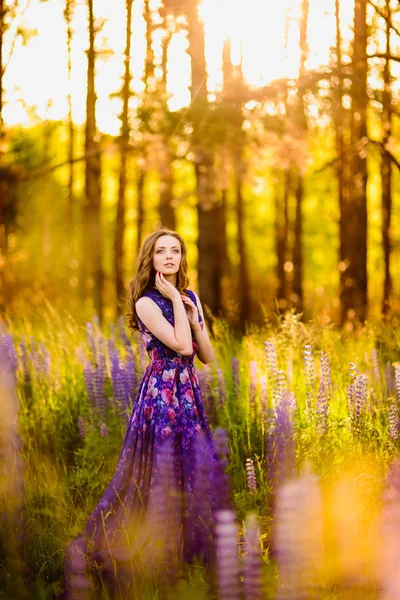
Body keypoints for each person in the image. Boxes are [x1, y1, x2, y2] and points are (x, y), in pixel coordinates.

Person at [64, 228, 231, 599]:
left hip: (187, 388)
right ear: (151, 259)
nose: (169, 257)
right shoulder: (146, 303)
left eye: (175, 251)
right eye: (161, 251)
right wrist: (174, 301)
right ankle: (148, 547)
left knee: (192, 461)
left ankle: (189, 551)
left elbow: (205, 354)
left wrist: (193, 313)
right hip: (161, 391)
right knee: (158, 464)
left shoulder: (189, 296)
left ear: (182, 257)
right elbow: (179, 345)